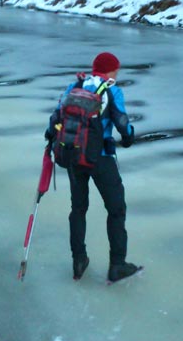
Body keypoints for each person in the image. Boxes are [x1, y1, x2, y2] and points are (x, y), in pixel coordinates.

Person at [45, 52, 139, 283]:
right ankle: (117, 265)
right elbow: (122, 123)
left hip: (74, 156)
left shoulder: (75, 85)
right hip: (101, 158)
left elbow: (56, 117)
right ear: (111, 70)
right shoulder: (111, 90)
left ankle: (79, 262)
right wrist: (128, 138)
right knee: (116, 210)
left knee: (78, 209)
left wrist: (51, 138)